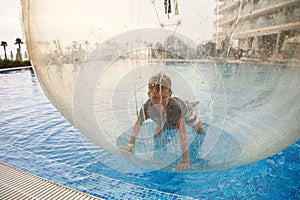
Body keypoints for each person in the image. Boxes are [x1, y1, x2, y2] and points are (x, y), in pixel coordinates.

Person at [121, 72, 204, 170]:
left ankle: (191, 106)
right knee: (158, 134)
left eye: (163, 98)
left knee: (200, 130)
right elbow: (137, 124)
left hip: (184, 109)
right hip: (164, 116)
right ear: (149, 95)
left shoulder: (175, 108)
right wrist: (131, 145)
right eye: (155, 98)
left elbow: (183, 135)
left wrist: (185, 160)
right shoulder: (147, 107)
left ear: (170, 94)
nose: (159, 102)